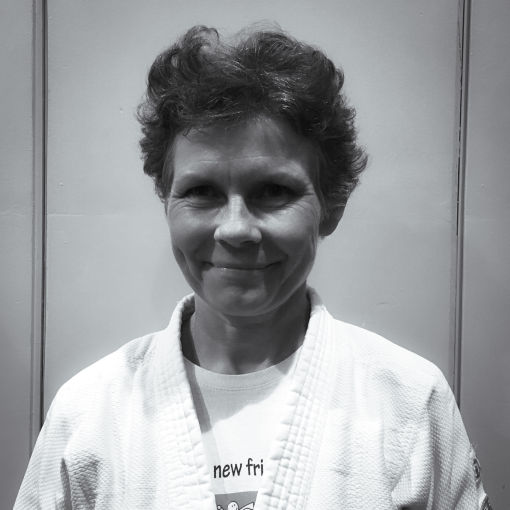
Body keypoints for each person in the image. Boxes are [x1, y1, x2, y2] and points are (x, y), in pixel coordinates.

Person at [15, 25, 491, 509]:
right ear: (167, 205)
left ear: (331, 207)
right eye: (201, 192)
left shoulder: (409, 401)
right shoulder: (88, 414)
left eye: (274, 191)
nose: (235, 229)